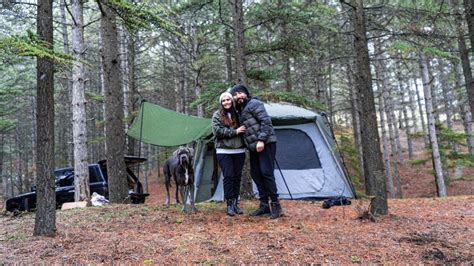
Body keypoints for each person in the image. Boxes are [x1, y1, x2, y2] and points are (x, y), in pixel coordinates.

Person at [230, 84, 282, 219]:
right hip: (253, 147)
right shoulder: (240, 109)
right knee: (256, 174)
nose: (238, 96)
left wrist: (261, 140)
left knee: (266, 172)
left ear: (246, 93)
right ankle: (264, 205)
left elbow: (266, 122)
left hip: (266, 143)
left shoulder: (254, 104)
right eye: (235, 95)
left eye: (240, 93)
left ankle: (276, 205)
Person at [212, 92, 246, 216]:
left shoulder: (238, 114)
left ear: (232, 101)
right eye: (223, 100)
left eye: (228, 100)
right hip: (223, 150)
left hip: (239, 150)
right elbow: (217, 131)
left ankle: (236, 203)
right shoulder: (217, 115)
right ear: (221, 103)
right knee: (229, 176)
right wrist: (235, 131)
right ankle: (229, 204)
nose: (226, 102)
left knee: (237, 177)